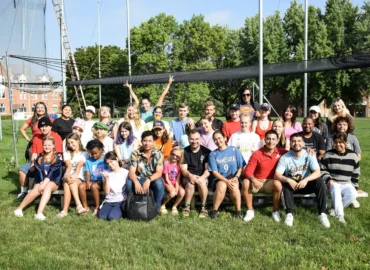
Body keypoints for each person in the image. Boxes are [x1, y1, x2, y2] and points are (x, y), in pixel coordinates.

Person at [274, 132, 330, 228]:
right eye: (294, 141)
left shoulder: (309, 154)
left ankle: (322, 214)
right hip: (293, 185)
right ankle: (289, 214)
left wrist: (306, 180)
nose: (296, 143)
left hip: (306, 184)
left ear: (304, 143)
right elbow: (277, 175)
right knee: (286, 184)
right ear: (290, 143)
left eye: (299, 141)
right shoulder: (285, 157)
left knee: (319, 181)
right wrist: (288, 180)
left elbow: (317, 172)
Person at [14, 136, 63, 220]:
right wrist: (41, 182)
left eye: (49, 145)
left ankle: (39, 213)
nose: (47, 147)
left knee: (48, 187)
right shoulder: (39, 157)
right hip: (41, 179)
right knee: (36, 188)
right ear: (42, 146)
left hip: (54, 180)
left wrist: (44, 184)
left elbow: (51, 172)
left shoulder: (57, 157)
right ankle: (19, 209)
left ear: (54, 145)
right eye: (45, 145)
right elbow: (39, 171)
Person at [243, 130, 287, 222]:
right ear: (264, 140)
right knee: (246, 182)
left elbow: (296, 154)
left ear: (277, 140)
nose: (271, 141)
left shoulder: (282, 152)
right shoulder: (257, 153)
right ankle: (250, 210)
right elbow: (248, 170)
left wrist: (307, 150)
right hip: (257, 182)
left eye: (273, 139)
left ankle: (275, 211)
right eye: (268, 139)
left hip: (270, 183)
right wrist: (254, 180)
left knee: (277, 184)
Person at [16, 117, 63, 201]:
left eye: (46, 126)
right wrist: (33, 163)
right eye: (41, 126)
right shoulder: (37, 137)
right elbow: (34, 153)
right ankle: (24, 192)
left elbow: (58, 154)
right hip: (37, 161)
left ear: (50, 127)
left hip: (51, 163)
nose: (43, 128)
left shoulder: (56, 137)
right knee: (22, 170)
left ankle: (51, 195)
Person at [320, 133, 359, 223]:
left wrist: (355, 187)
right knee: (336, 188)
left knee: (353, 194)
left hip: (347, 183)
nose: (338, 144)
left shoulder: (353, 155)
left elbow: (356, 173)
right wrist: (329, 179)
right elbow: (322, 170)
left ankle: (334, 209)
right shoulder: (328, 154)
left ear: (345, 142)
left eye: (340, 142)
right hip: (332, 183)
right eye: (336, 142)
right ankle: (340, 216)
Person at [208, 130, 246, 219]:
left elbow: (241, 167)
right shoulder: (213, 154)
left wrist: (236, 177)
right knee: (222, 186)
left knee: (234, 185)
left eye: (219, 138)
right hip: (220, 178)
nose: (218, 141)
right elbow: (214, 172)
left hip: (234, 177)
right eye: (215, 139)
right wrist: (226, 181)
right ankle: (214, 210)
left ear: (225, 138)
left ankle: (238, 211)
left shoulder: (234, 150)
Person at [327, 116, 362, 207]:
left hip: (349, 165)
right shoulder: (331, 138)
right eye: (339, 124)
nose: (342, 126)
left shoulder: (353, 138)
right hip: (334, 165)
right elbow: (328, 154)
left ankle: (348, 199)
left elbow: (358, 154)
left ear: (348, 126)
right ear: (336, 125)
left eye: (344, 124)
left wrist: (351, 163)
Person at [127, 131, 164, 211]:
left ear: (154, 142)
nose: (147, 143)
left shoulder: (158, 154)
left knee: (159, 183)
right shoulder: (135, 153)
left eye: (150, 141)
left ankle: (156, 207)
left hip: (152, 178)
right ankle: (130, 205)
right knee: (129, 183)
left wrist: (149, 179)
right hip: (139, 178)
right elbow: (131, 172)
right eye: (145, 141)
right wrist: (136, 182)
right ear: (141, 141)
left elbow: (159, 172)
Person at [180, 129, 210, 218]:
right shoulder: (184, 151)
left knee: (202, 183)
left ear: (200, 139)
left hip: (202, 175)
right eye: (192, 139)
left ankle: (204, 207)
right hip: (189, 175)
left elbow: (208, 170)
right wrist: (191, 176)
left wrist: (201, 178)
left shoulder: (206, 152)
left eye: (197, 139)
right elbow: (184, 170)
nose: (194, 141)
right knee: (190, 185)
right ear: (188, 139)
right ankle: (187, 206)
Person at [58, 133, 88, 217]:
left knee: (70, 183)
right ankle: (78, 205)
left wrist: (75, 175)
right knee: (67, 182)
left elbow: (79, 165)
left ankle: (65, 210)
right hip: (69, 173)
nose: (70, 145)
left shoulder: (84, 153)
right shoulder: (67, 152)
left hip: (80, 175)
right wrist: (67, 175)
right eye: (68, 143)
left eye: (72, 142)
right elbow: (68, 165)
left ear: (78, 141)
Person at [79, 139, 108, 216]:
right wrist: (87, 181)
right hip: (92, 180)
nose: (94, 155)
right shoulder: (89, 160)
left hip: (103, 181)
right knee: (81, 186)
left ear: (101, 150)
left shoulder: (105, 159)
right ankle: (85, 207)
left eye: (95, 153)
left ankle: (97, 207)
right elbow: (87, 172)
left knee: (94, 186)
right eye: (92, 154)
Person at [99, 151, 128, 221]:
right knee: (102, 217)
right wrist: (106, 179)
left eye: (111, 161)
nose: (110, 165)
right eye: (108, 163)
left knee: (112, 217)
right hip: (109, 200)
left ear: (117, 159)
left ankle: (121, 211)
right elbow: (107, 192)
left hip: (121, 200)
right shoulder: (106, 173)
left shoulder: (125, 172)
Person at [160, 147, 185, 215]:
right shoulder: (166, 164)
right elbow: (167, 179)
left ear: (180, 157)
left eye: (177, 156)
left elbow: (177, 179)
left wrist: (177, 188)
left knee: (182, 192)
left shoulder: (178, 166)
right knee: (173, 193)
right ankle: (163, 205)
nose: (174, 157)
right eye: (173, 154)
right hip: (167, 182)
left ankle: (174, 206)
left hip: (175, 183)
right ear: (170, 153)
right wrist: (173, 188)